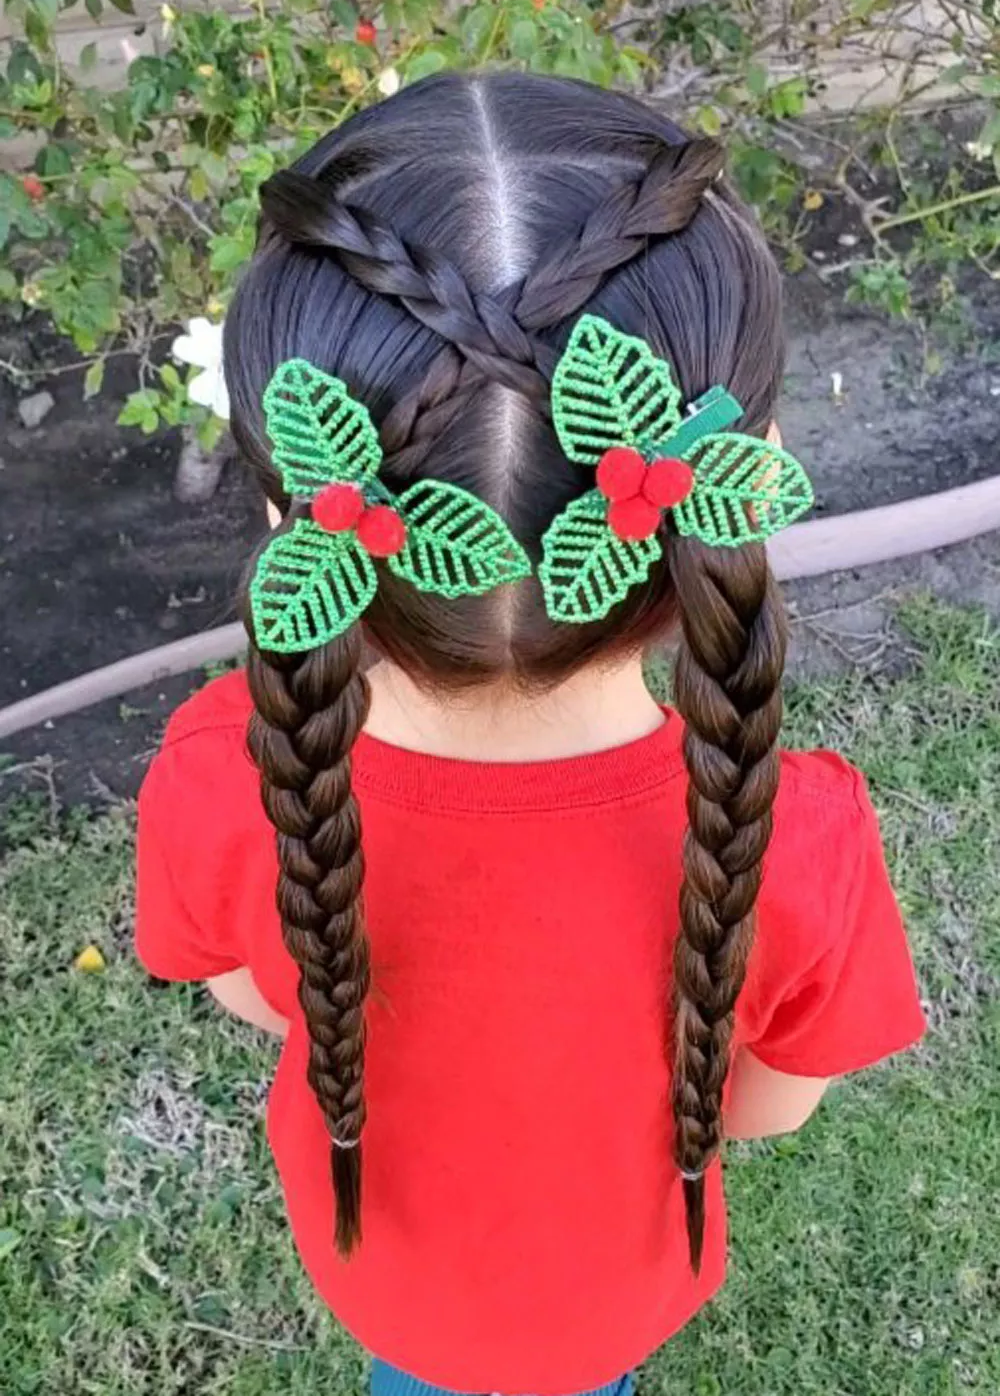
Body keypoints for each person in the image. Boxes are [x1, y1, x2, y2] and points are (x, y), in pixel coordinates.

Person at [136, 71, 925, 1396]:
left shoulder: (227, 774)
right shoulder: (802, 838)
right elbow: (770, 1110)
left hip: (377, 1267)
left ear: (297, 505)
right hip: (616, 1298)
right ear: (743, 470)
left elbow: (251, 997)